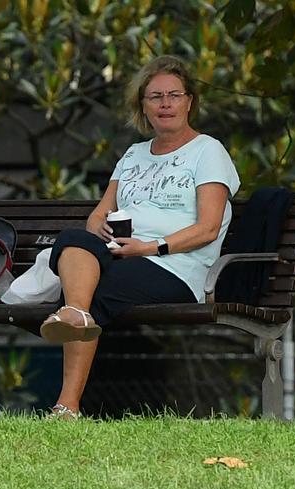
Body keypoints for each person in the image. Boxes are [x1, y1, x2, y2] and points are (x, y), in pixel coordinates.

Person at [38, 55, 240, 418]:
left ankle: (66, 404)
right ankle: (76, 314)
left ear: (189, 101)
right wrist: (98, 226)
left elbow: (208, 228)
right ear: (143, 107)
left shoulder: (208, 151)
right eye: (155, 97)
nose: (165, 104)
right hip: (121, 253)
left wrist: (151, 246)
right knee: (73, 237)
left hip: (175, 266)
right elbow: (99, 212)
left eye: (174, 95)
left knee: (92, 292)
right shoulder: (133, 155)